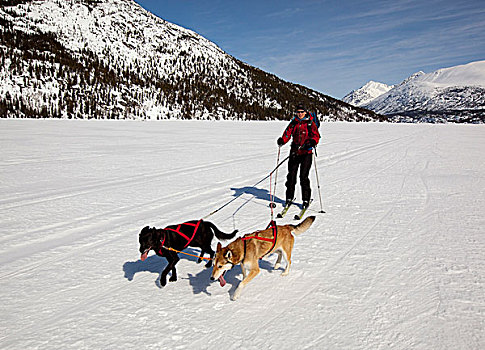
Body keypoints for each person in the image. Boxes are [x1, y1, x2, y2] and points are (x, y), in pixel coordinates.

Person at [277, 104, 320, 209]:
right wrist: (283, 140)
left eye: (302, 112)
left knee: (303, 177)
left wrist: (312, 142)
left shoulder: (310, 123)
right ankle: (289, 198)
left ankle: (306, 199)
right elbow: (287, 134)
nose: (300, 114)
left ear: (305, 112)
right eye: (298, 112)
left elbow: (316, 136)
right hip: (294, 153)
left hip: (306, 154)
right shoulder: (293, 123)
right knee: (291, 176)